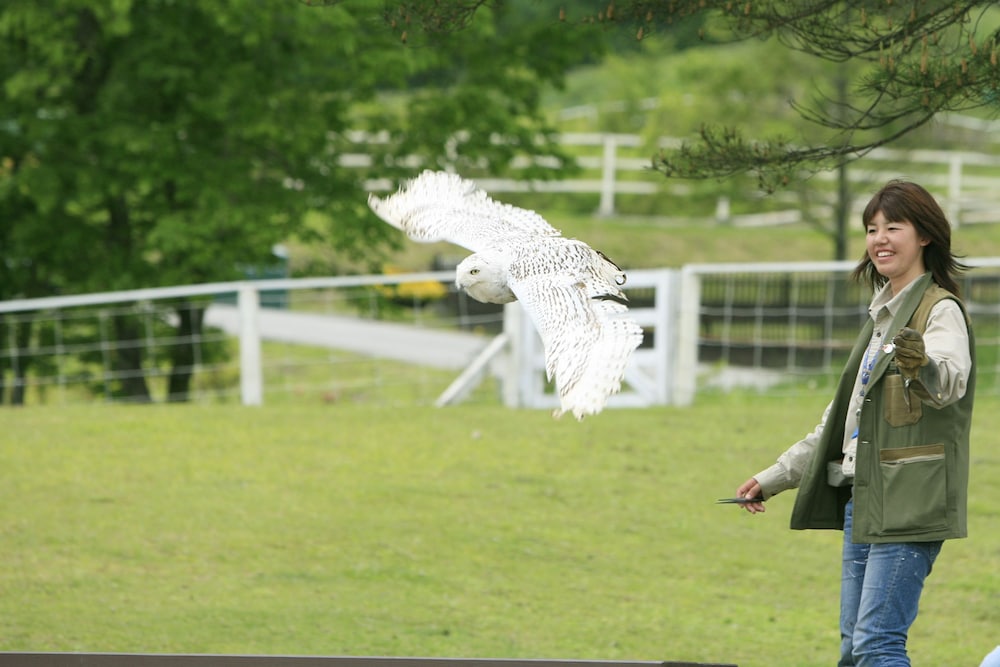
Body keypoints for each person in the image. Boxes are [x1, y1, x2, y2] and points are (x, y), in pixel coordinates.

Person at [735, 180, 975, 667]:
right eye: (871, 229)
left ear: (924, 235)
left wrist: (920, 362)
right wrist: (773, 477)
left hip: (908, 502)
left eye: (894, 227)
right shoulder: (882, 316)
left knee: (877, 644)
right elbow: (842, 422)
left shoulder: (939, 309)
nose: (879, 238)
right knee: (854, 649)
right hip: (863, 499)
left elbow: (949, 380)